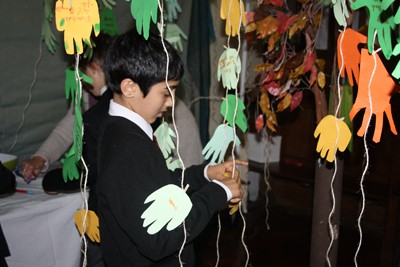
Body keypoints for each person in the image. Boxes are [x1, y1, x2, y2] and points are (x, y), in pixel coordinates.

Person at [96, 28, 246, 266]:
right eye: (166, 92)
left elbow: (158, 188)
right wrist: (217, 194)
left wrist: (205, 174)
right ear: (129, 88)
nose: (172, 101)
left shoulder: (126, 133)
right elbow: (159, 240)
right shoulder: (126, 149)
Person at [20, 33, 113, 193]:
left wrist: (53, 180)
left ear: (93, 68)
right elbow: (67, 129)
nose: (80, 80)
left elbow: (92, 169)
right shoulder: (88, 94)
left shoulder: (113, 103)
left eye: (81, 73)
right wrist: (41, 158)